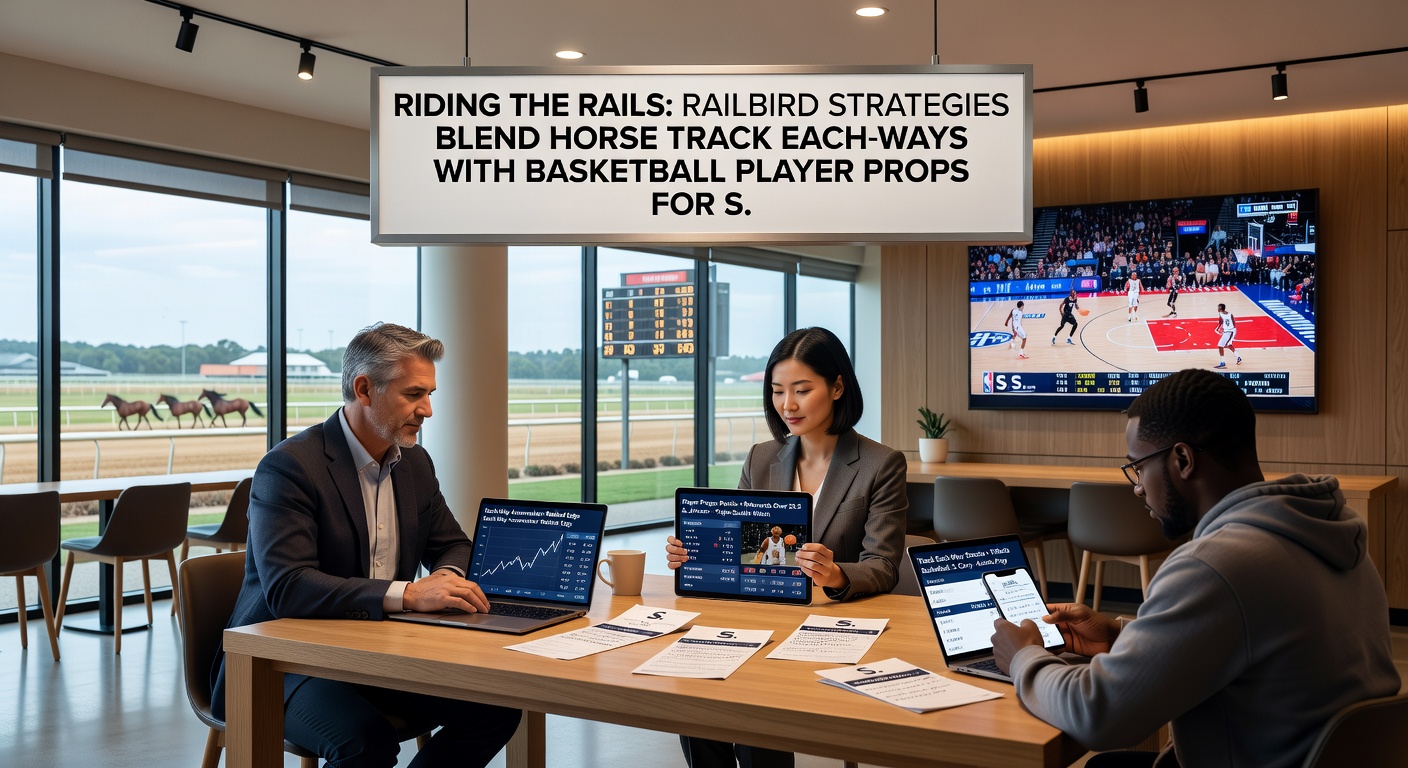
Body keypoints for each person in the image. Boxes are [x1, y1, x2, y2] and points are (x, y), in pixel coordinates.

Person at [990, 368, 1399, 767]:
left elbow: (1099, 716)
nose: (1137, 486)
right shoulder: (1336, 533)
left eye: (1139, 466)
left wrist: (1024, 656)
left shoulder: (1216, 565)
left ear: (1182, 460)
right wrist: (1118, 635)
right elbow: (1247, 640)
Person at [211, 323, 521, 768]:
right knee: (365, 742)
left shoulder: (414, 462)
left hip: (380, 656)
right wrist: (410, 594)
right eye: (413, 394)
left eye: (430, 394)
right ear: (364, 389)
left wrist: (445, 579)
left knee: (497, 708)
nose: (428, 410)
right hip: (283, 664)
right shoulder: (289, 467)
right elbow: (289, 587)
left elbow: (454, 544)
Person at [665, 326, 908, 768]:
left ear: (837, 387)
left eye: (801, 390)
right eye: (777, 392)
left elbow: (883, 565)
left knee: (756, 714)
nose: (787, 405)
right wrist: (694, 552)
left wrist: (837, 575)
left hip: (827, 629)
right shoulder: (761, 457)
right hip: (755, 617)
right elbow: (735, 544)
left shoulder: (880, 464)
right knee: (695, 699)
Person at [1214, 303, 1241, 368]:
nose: (1217, 309)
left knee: (1222, 346)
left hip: (1230, 332)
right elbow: (1233, 323)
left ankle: (1223, 363)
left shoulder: (1221, 315)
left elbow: (1220, 323)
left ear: (1220, 308)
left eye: (1218, 307)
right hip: (1228, 331)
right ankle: (1238, 357)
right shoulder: (1230, 314)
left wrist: (1217, 329)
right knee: (1226, 345)